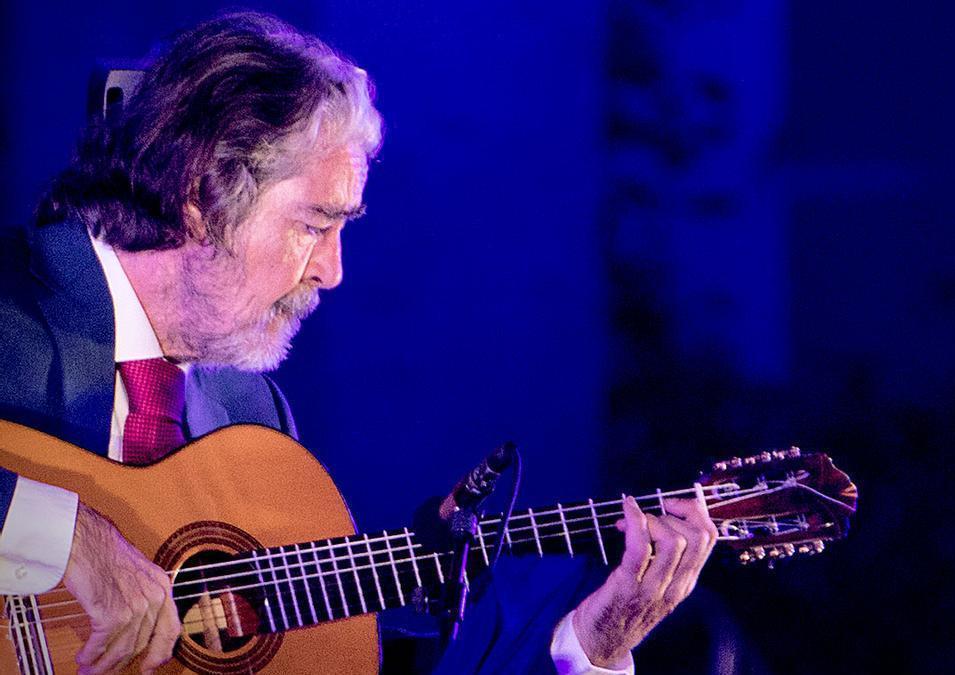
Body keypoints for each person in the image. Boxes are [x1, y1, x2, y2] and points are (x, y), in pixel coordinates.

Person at [0, 12, 717, 675]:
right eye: (314, 224)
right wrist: (64, 535)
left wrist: (587, 644)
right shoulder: (15, 305)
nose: (333, 271)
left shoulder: (253, 417)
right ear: (202, 190)